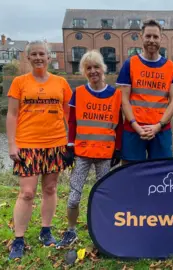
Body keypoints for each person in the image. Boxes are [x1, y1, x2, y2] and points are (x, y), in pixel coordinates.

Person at [6, 40, 73, 259]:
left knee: (51, 189)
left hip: (55, 143)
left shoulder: (61, 82)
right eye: (33, 54)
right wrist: (12, 144)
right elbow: (12, 114)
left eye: (42, 54)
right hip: (27, 144)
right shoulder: (19, 82)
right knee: (26, 193)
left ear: (49, 57)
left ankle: (46, 231)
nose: (38, 57)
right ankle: (18, 239)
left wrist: (71, 141)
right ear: (28, 57)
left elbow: (68, 115)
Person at [56, 50, 123, 248]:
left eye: (96, 67)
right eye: (88, 68)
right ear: (84, 71)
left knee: (104, 195)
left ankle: (106, 231)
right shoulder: (79, 93)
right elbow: (72, 122)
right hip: (83, 154)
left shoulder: (115, 94)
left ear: (103, 69)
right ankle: (71, 231)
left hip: (104, 154)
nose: (93, 71)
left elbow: (119, 125)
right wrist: (69, 147)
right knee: (74, 197)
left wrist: (117, 149)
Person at [116, 19, 173, 162]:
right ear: (142, 37)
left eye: (155, 37)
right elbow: (124, 100)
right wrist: (136, 126)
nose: (152, 40)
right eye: (148, 36)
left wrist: (158, 126)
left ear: (161, 38)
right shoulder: (130, 64)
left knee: (161, 172)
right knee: (130, 171)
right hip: (134, 129)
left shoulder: (171, 67)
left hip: (161, 130)